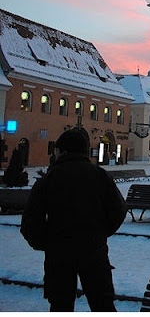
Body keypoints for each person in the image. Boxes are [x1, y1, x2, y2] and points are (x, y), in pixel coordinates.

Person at [20, 128, 127, 312]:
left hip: (59, 253)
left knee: (60, 305)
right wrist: (100, 233)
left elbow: (31, 220)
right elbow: (119, 210)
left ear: (62, 151)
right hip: (94, 250)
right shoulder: (99, 175)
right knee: (102, 304)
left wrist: (45, 242)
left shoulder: (50, 178)